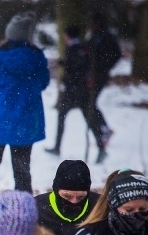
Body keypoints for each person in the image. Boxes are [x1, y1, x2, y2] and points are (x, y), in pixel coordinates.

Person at [0, 12, 49, 219]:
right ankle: (25, 216)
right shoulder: (37, 58)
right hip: (25, 125)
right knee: (23, 173)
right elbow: (43, 83)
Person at [45, 26, 107, 161]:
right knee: (88, 118)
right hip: (83, 90)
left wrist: (66, 70)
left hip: (73, 91)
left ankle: (57, 147)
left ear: (68, 35)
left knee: (63, 117)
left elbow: (74, 69)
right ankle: (101, 147)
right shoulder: (83, 48)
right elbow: (83, 67)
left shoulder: (73, 49)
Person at [86, 12, 121, 165]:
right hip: (92, 74)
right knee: (91, 103)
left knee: (91, 103)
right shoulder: (94, 36)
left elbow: (115, 55)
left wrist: (103, 68)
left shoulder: (106, 37)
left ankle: (104, 130)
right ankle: (104, 129)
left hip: (98, 75)